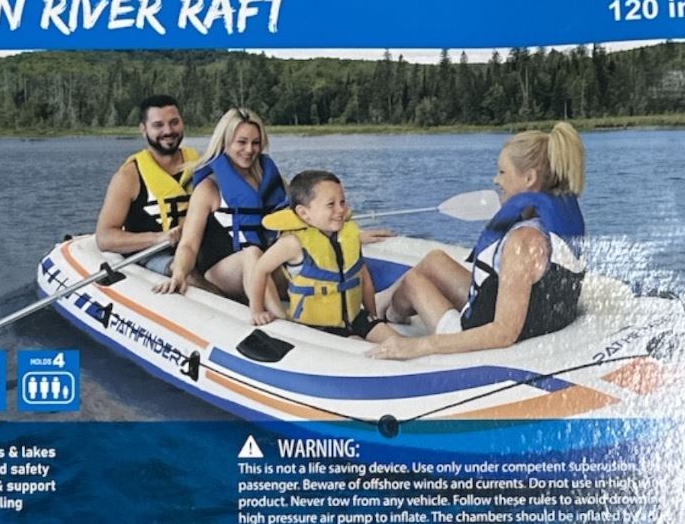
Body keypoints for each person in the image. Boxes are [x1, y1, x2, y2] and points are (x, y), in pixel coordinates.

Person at [367, 122, 587, 360]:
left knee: (413, 282)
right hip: (495, 307)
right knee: (434, 260)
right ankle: (380, 304)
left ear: (529, 178)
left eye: (502, 172)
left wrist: (418, 346)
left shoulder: (524, 242)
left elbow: (503, 333)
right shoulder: (550, 222)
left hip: (469, 332)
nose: (496, 180)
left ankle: (389, 318)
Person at [153, 107, 288, 306]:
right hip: (223, 272)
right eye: (241, 142)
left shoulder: (272, 181)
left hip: (263, 265)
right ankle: (280, 321)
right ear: (225, 142)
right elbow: (189, 244)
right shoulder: (209, 188)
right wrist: (179, 273)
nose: (249, 150)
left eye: (256, 143)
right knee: (252, 254)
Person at [245, 170, 380, 338]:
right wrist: (257, 310)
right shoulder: (292, 243)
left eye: (342, 202)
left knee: (390, 337)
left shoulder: (347, 237)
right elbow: (260, 269)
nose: (341, 210)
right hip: (318, 326)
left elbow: (364, 279)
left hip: (355, 318)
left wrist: (373, 316)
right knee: (357, 342)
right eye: (331, 204)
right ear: (303, 213)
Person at [94, 95, 199, 253]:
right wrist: (157, 238)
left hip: (196, 248)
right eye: (158, 125)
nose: (168, 131)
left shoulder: (199, 164)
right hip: (153, 255)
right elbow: (104, 238)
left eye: (174, 122)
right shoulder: (128, 176)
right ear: (143, 130)